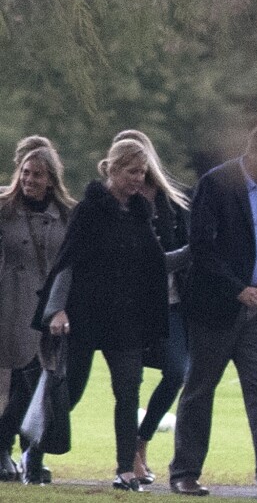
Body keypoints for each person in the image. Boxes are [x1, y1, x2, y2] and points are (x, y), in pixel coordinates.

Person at [169, 118, 257, 497]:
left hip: (254, 309)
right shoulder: (217, 184)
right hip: (215, 307)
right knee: (200, 389)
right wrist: (237, 289)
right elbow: (202, 248)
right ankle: (184, 472)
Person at [34, 139, 169, 492]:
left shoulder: (141, 212)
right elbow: (68, 261)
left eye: (142, 171)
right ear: (111, 169)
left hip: (127, 320)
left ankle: (125, 469)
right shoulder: (90, 209)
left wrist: (193, 252)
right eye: (131, 171)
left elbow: (154, 262)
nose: (138, 178)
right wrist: (57, 309)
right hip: (86, 315)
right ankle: (35, 453)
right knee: (71, 392)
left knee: (128, 393)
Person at [113, 130, 190, 485]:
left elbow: (182, 251)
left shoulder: (170, 204)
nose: (137, 175)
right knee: (128, 384)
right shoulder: (112, 204)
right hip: (127, 307)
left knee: (176, 372)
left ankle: (140, 442)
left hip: (168, 305)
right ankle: (127, 457)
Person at [0, 145, 75, 484]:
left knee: (41, 383)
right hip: (11, 301)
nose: (29, 180)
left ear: (51, 179)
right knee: (23, 379)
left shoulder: (67, 213)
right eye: (26, 173)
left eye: (38, 175)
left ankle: (29, 454)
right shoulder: (4, 207)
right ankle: (7, 449)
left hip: (51, 306)